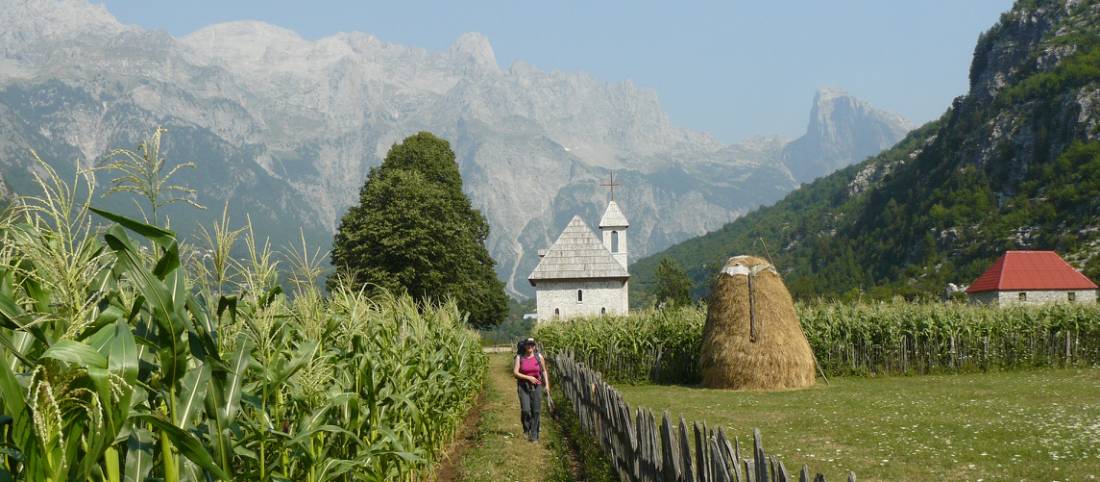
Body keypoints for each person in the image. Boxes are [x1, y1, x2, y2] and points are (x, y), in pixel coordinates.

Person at [513, 337, 550, 442]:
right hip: (523, 385)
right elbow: (515, 372)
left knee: (536, 411)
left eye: (532, 344)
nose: (530, 346)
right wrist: (528, 377)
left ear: (534, 346)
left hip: (537, 385)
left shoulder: (539, 357)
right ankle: (526, 428)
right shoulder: (520, 357)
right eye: (528, 344)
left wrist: (546, 385)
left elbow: (543, 371)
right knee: (526, 410)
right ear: (524, 346)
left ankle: (534, 435)